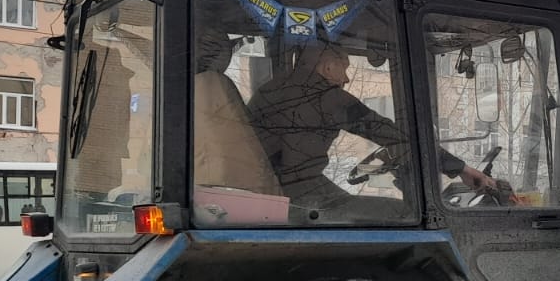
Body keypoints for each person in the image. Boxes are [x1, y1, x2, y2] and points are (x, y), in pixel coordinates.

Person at [249, 41, 498, 219]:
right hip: (301, 195)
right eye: (343, 68)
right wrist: (462, 169)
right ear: (326, 68)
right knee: (404, 214)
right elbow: (392, 135)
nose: (346, 79)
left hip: (278, 190)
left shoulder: (270, 90)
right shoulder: (327, 97)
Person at [193, 27, 282, 198]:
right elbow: (247, 152)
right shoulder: (213, 84)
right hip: (231, 190)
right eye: (226, 49)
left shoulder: (177, 91)